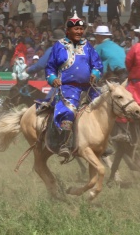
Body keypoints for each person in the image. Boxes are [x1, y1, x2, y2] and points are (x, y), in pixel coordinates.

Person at [44, 13, 103, 162]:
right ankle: (65, 143)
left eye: (81, 29)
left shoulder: (88, 46)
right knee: (69, 112)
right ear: (68, 30)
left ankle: (104, 142)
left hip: (89, 88)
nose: (79, 32)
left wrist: (95, 73)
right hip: (68, 89)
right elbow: (50, 67)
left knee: (106, 106)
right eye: (76, 29)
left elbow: (97, 64)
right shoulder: (59, 46)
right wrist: (53, 79)